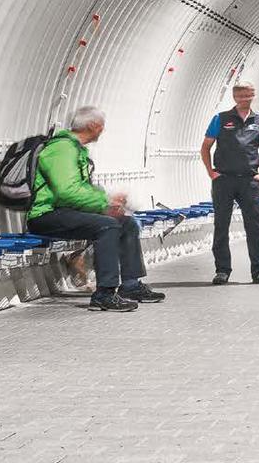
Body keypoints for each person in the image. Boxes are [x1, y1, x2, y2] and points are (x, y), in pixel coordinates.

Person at [27, 106, 164, 311]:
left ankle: (130, 285)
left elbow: (78, 190)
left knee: (126, 223)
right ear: (93, 125)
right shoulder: (61, 149)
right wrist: (105, 203)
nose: (102, 130)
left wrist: (107, 201)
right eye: (102, 126)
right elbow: (67, 191)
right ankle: (104, 293)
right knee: (108, 226)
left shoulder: (75, 149)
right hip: (46, 215)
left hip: (66, 212)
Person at [200, 82, 259, 285]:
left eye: (247, 95)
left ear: (253, 95)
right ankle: (222, 270)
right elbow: (206, 147)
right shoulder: (221, 119)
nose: (244, 99)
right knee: (221, 224)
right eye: (240, 96)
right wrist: (211, 172)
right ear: (234, 97)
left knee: (255, 226)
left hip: (249, 180)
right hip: (224, 179)